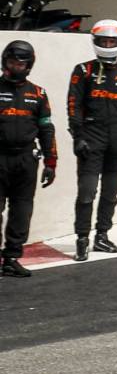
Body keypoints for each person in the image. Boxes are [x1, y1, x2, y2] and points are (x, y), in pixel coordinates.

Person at [66, 19, 117, 261]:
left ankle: (102, 235)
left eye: (112, 41)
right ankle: (82, 238)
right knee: (87, 191)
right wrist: (77, 136)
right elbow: (73, 105)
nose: (108, 44)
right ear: (96, 42)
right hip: (91, 136)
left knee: (111, 191)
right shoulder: (82, 70)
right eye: (104, 41)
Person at [1, 41, 56, 278]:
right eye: (12, 63)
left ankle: (11, 257)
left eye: (20, 64)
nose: (15, 67)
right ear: (5, 62)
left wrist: (51, 162)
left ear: (28, 66)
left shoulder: (38, 93)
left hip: (26, 159)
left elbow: (46, 129)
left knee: (22, 210)